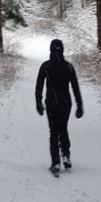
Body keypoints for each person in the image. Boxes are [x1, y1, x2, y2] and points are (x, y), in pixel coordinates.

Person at [35, 38, 84, 175]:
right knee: (63, 129)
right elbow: (75, 87)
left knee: (54, 132)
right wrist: (79, 105)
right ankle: (66, 156)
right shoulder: (68, 67)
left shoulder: (46, 66)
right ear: (62, 50)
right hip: (65, 103)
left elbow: (39, 85)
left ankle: (56, 162)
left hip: (51, 102)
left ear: (50, 50)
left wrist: (38, 102)